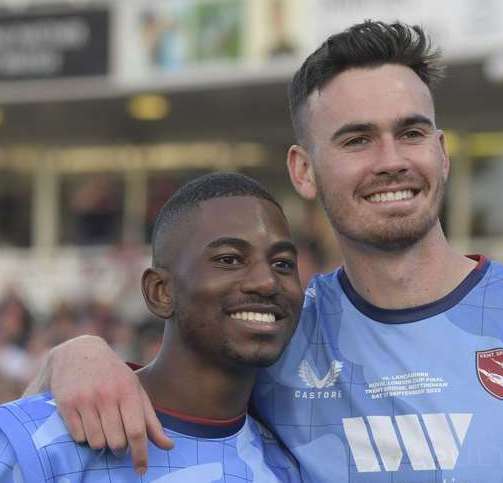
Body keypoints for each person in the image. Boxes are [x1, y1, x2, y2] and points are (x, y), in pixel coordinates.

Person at [26, 20, 503, 482]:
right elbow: (154, 393)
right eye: (357, 140)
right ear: (303, 170)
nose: (391, 160)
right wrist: (76, 354)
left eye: (411, 133)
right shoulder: (279, 328)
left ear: (442, 154)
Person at [0, 173, 303, 482]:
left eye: (282, 264)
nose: (267, 282)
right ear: (161, 291)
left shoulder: (295, 463)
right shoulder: (36, 441)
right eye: (229, 259)